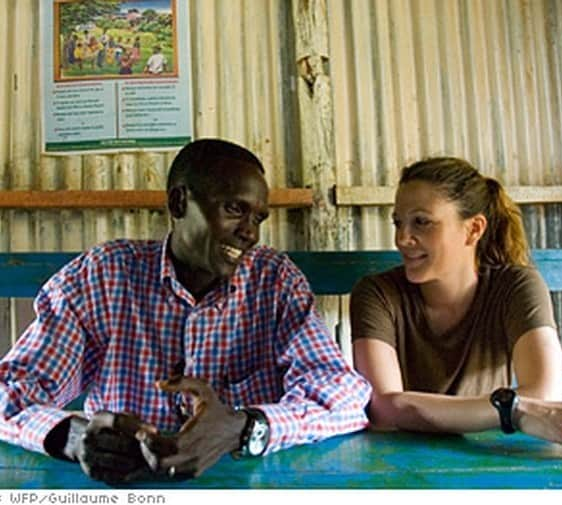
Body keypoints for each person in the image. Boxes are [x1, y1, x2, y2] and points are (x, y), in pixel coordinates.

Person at [0, 139, 371, 484]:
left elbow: (342, 394)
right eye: (233, 209)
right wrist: (73, 436)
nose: (250, 233)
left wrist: (244, 428)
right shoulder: (103, 276)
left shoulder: (275, 282)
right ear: (179, 203)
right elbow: (10, 389)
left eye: (258, 218)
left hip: (244, 484)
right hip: (125, 487)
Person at [350, 157, 562, 455]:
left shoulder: (516, 286)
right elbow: (384, 407)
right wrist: (510, 410)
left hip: (489, 458)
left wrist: (519, 408)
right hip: (402, 459)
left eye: (421, 222)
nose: (402, 238)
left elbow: (546, 396)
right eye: (398, 222)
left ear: (474, 229)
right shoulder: (377, 294)